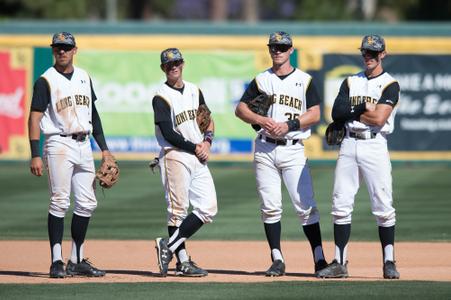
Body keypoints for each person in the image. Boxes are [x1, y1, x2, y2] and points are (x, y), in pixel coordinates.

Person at [235, 31, 328, 277]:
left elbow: (316, 114)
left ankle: (319, 259)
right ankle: (277, 258)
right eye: (273, 47)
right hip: (265, 148)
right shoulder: (261, 80)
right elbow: (241, 109)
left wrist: (290, 125)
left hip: (293, 148)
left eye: (282, 47)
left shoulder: (304, 80)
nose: (277, 51)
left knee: (305, 206)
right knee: (270, 207)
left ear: (291, 50)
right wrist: (259, 118)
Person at [316, 35, 401, 279]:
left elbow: (379, 119)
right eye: (365, 52)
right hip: (349, 144)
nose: (368, 57)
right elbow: (335, 112)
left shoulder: (389, 84)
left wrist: (352, 113)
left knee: (383, 206)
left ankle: (389, 262)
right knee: (340, 204)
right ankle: (340, 263)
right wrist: (363, 108)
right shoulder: (351, 81)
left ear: (383, 54)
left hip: (375, 145)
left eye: (373, 53)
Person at [28, 32, 112, 278]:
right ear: (54, 51)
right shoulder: (46, 80)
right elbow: (34, 118)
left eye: (66, 47)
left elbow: (92, 114)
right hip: (59, 144)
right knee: (60, 201)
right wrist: (35, 154)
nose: (61, 51)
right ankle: (56, 261)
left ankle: (76, 259)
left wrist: (104, 149)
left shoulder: (84, 77)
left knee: (87, 203)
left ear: (75, 50)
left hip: (84, 144)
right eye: (57, 48)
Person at [153, 48, 217, 277]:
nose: (173, 66)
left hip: (198, 155)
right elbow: (168, 133)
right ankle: (182, 262)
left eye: (176, 62)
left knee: (208, 207)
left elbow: (208, 120)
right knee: (177, 212)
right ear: (163, 68)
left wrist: (207, 142)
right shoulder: (160, 96)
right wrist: (196, 147)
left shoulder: (194, 90)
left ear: (183, 63)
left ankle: (167, 246)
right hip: (175, 155)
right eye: (169, 64)